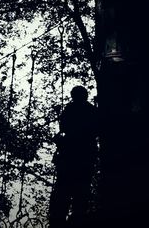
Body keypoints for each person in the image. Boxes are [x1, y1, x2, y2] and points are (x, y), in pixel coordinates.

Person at [49, 86, 98, 228]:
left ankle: (63, 218)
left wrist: (61, 140)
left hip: (70, 157)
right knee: (80, 192)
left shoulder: (70, 110)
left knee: (64, 191)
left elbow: (64, 129)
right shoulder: (92, 111)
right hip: (84, 157)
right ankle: (77, 217)